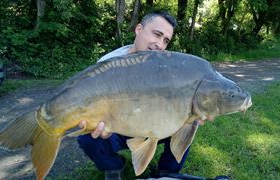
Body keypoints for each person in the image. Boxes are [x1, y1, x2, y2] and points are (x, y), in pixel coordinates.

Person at [77, 11, 206, 180]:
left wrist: (192, 111)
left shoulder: (164, 65)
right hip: (120, 126)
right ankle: (114, 166)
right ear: (139, 29)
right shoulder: (107, 65)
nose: (160, 44)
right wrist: (104, 125)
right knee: (87, 139)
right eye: (157, 34)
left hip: (151, 123)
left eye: (165, 40)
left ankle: (168, 171)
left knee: (187, 123)